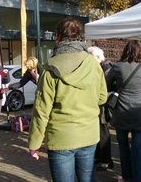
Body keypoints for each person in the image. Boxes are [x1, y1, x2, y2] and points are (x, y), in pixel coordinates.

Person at [28, 18, 107, 182]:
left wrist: (34, 142)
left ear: (57, 37)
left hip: (61, 137)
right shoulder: (93, 64)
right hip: (89, 134)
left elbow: (42, 110)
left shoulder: (50, 67)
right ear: (80, 37)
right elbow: (102, 97)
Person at [106, 40, 141, 182]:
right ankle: (140, 179)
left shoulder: (117, 66)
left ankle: (126, 177)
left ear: (125, 51)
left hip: (122, 111)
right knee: (137, 148)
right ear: (140, 52)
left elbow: (106, 83)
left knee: (123, 146)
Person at [87, 46, 114, 171]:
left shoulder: (104, 68)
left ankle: (106, 160)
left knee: (103, 133)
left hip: (101, 106)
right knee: (98, 132)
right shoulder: (98, 67)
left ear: (95, 57)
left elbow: (104, 88)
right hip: (96, 105)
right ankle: (99, 156)